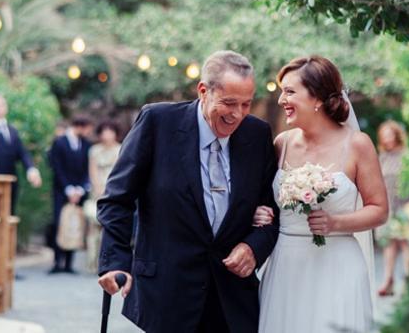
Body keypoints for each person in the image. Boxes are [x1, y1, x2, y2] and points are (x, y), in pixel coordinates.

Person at [97, 51, 279, 333]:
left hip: (231, 298)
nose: (238, 114)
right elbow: (117, 198)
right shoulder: (158, 122)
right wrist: (116, 262)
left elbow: (272, 210)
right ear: (203, 91)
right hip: (167, 292)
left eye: (246, 104)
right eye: (229, 103)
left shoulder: (257, 134)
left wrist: (253, 247)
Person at [253, 56, 388, 333]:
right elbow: (266, 201)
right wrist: (260, 212)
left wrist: (335, 223)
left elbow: (379, 209)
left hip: (338, 265)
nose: (281, 100)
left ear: (316, 98)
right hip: (285, 267)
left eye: (289, 91)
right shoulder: (282, 144)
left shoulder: (358, 145)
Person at [0, 94, 42, 263]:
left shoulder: (12, 130)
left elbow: (22, 153)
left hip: (10, 185)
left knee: (7, 224)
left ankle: (4, 263)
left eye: (1, 105)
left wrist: (31, 169)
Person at [48, 115, 93, 274]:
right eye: (87, 128)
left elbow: (88, 170)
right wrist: (68, 188)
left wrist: (80, 189)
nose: (88, 132)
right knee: (59, 223)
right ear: (80, 126)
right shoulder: (59, 142)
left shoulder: (86, 145)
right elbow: (56, 167)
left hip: (79, 192)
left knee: (75, 224)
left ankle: (69, 263)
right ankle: (56, 262)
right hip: (62, 191)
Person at [375, 120, 409, 296]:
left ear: (397, 135)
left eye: (389, 135)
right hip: (388, 205)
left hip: (406, 204)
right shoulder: (382, 157)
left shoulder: (407, 155)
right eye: (384, 136)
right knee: (388, 243)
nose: (387, 139)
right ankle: (388, 281)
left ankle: (408, 281)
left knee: (406, 242)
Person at [85, 120, 121, 273]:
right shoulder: (94, 150)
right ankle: (92, 264)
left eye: (110, 131)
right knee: (94, 229)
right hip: (97, 191)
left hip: (115, 190)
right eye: (104, 131)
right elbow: (92, 171)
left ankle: (109, 264)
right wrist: (98, 188)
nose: (107, 135)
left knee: (112, 229)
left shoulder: (120, 149)